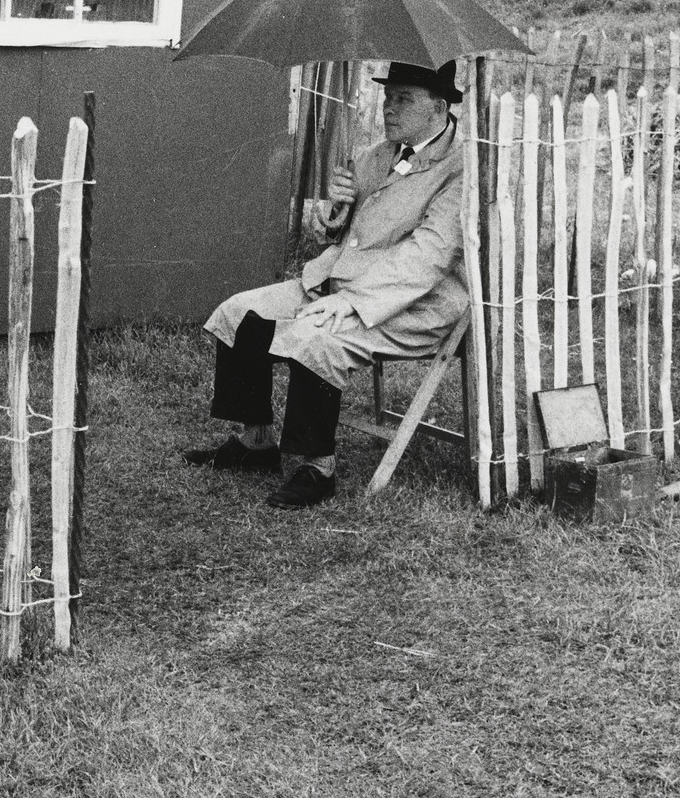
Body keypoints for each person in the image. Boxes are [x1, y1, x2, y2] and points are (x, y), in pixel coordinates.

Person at [186, 61, 468, 508]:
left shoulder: (461, 168)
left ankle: (318, 468)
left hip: (415, 304)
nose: (388, 108)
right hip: (336, 281)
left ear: (438, 106)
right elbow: (339, 234)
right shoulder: (378, 155)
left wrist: (353, 303)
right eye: (386, 96)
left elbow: (428, 257)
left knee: (317, 340)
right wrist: (336, 210)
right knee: (239, 312)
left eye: (402, 99)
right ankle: (255, 443)